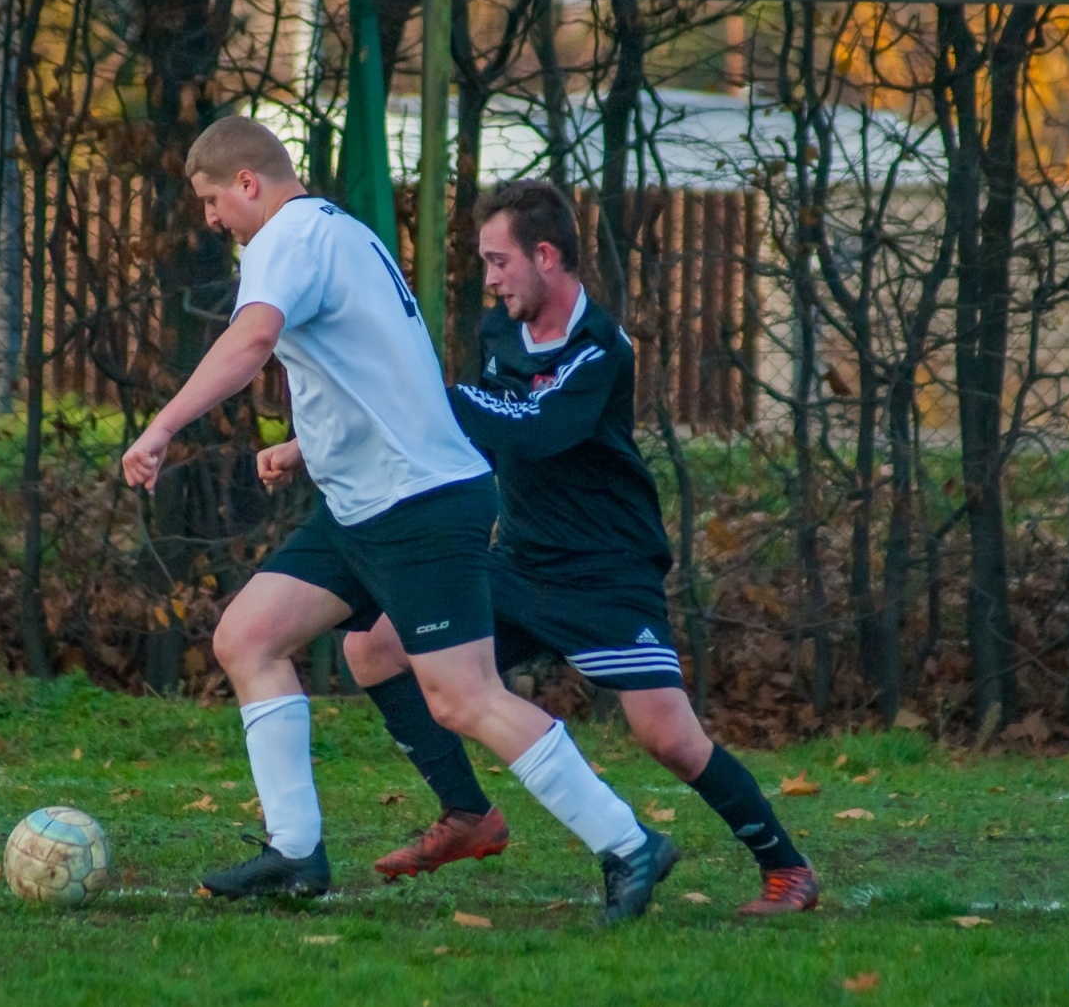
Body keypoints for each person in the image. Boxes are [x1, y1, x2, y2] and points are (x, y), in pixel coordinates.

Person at [122, 118, 675, 924]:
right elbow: (384, 371)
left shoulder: (284, 240)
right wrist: (308, 448)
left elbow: (252, 343)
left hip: (418, 505)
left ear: (248, 184)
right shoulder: (341, 234)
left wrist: (163, 425)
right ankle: (295, 853)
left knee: (462, 697)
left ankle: (629, 844)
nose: (210, 220)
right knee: (249, 637)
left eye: (212, 200)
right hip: (365, 504)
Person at [326, 180, 819, 916]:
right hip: (520, 566)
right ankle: (466, 814)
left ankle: (787, 870)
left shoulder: (601, 350)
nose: (490, 280)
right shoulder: (502, 334)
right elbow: (480, 434)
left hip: (608, 575)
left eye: (499, 262)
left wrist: (432, 392)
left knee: (671, 740)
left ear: (545, 256)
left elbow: (534, 428)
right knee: (374, 647)